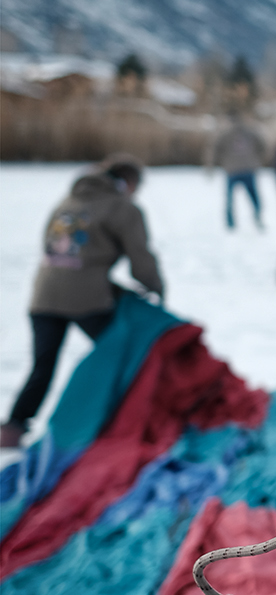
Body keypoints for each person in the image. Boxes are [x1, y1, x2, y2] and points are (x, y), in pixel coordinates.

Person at [1, 153, 165, 448]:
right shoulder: (123, 208)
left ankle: (13, 427)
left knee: (43, 365)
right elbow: (140, 257)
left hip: (44, 294)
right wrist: (155, 289)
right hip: (87, 298)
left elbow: (50, 246)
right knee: (121, 353)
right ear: (128, 183)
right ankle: (122, 420)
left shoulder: (68, 202)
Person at [213, 118, 264, 229]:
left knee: (231, 199)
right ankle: (257, 217)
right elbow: (263, 146)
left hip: (234, 170)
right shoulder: (249, 132)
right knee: (253, 197)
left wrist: (219, 162)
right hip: (245, 170)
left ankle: (231, 222)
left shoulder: (226, 134)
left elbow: (216, 149)